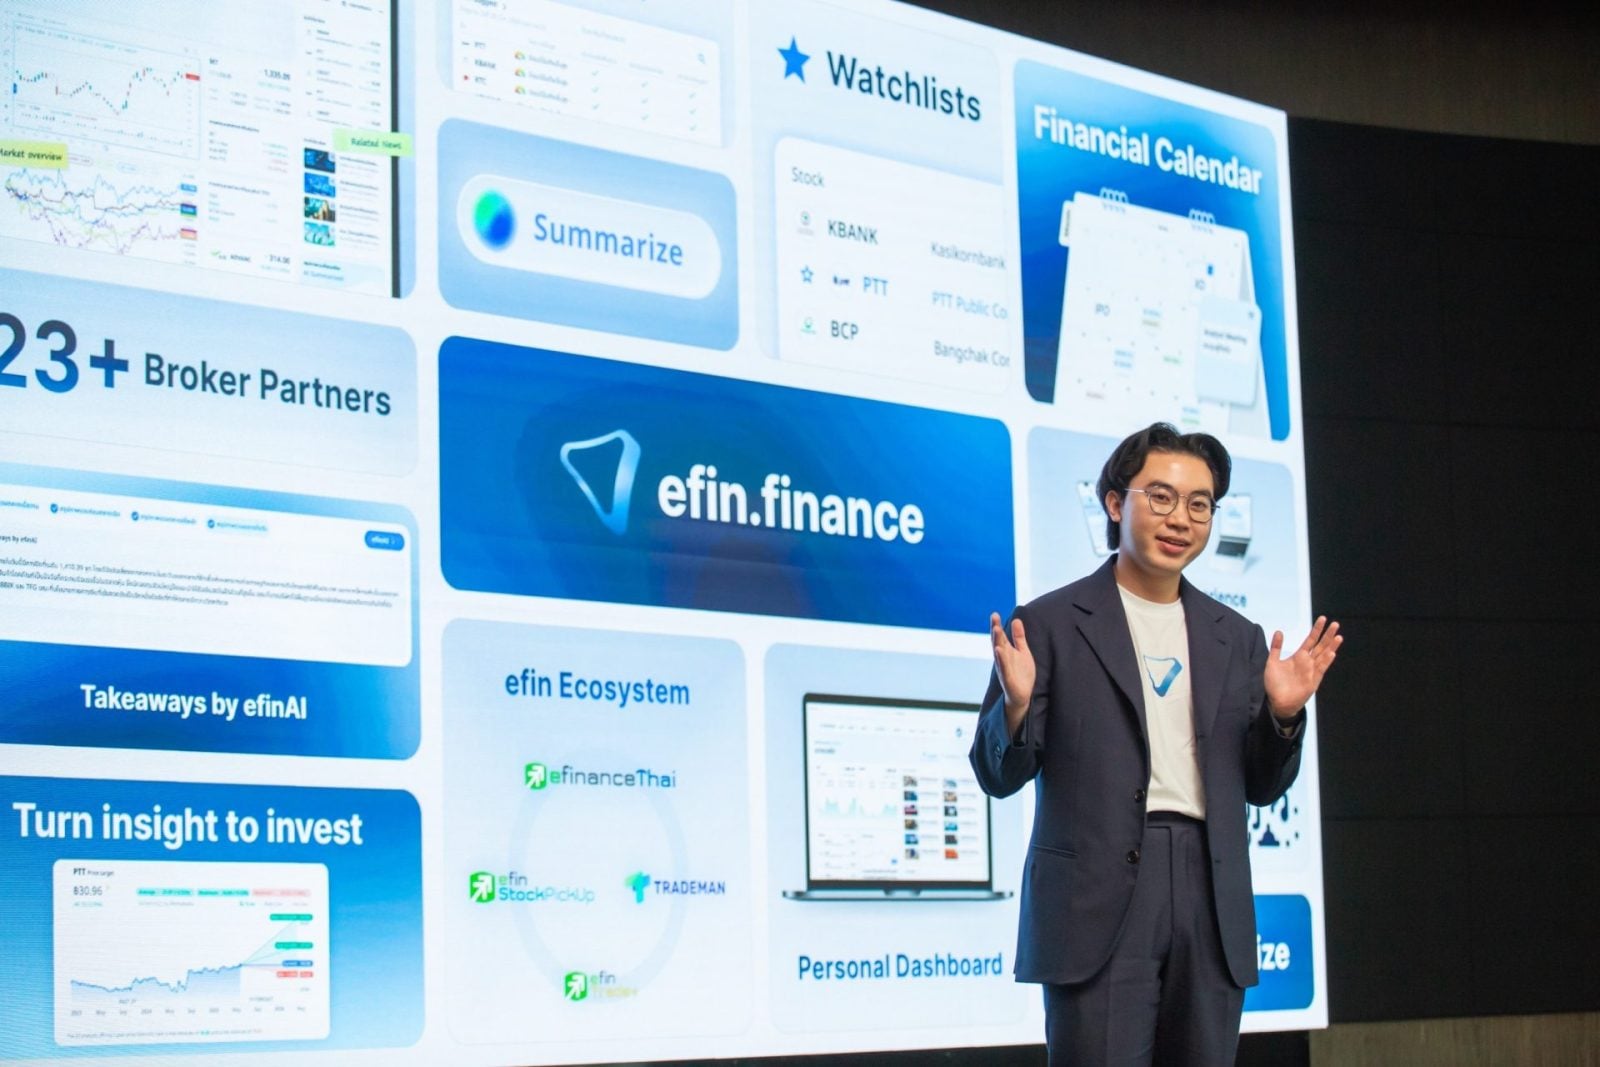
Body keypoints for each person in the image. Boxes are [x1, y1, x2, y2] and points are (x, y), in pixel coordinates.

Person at [971, 422, 1342, 1066]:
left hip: (1209, 891)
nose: (1181, 519)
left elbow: (1260, 786)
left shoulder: (1238, 637)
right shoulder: (1049, 624)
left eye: (1200, 504)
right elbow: (996, 774)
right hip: (1096, 897)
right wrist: (1018, 706)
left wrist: (1282, 717)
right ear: (1116, 503)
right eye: (1162, 497)